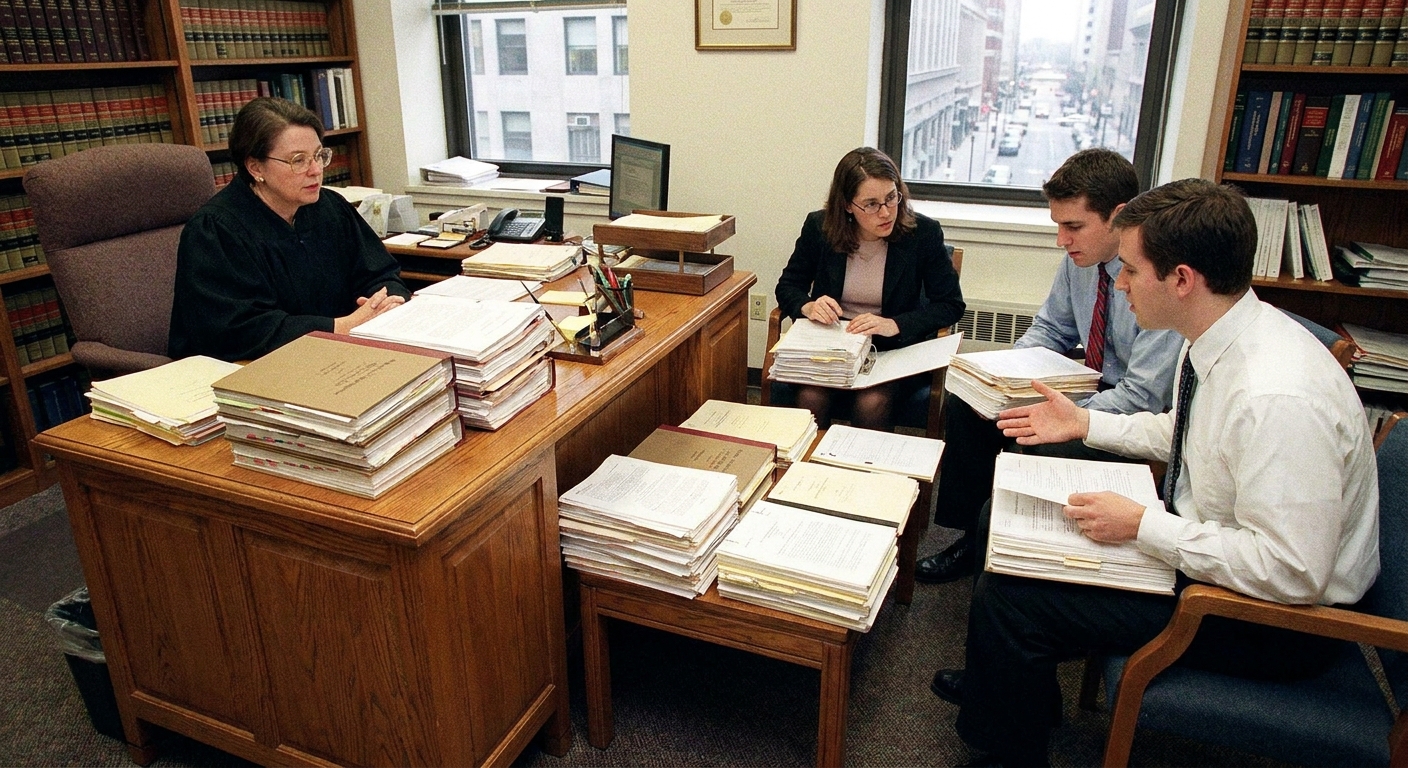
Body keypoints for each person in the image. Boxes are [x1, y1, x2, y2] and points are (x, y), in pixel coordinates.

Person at [932, 178, 1379, 767]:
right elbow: (1185, 432)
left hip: (1277, 623)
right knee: (1007, 521)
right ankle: (1014, 696)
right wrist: (1085, 426)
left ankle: (1006, 732)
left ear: (1183, 279)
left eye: (1131, 270)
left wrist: (1145, 527)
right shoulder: (1218, 337)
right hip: (1220, 554)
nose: (1119, 283)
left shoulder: (1278, 397)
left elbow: (1292, 572)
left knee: (1014, 599)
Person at [915, 148, 1183, 584]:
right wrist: (1005, 378)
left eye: (1073, 226)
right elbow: (1050, 330)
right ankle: (974, 537)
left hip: (1132, 413)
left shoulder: (1155, 276)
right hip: (1088, 388)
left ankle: (1024, 555)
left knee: (1035, 437)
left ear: (1119, 216)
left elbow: (1142, 396)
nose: (1062, 240)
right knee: (970, 405)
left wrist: (1059, 413)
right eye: (1058, 225)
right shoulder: (1078, 263)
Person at [168, 97, 410, 362]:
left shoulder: (331, 207)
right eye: (298, 160)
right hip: (245, 370)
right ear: (255, 167)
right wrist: (339, 327)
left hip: (340, 352)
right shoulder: (216, 230)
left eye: (319, 155)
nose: (316, 170)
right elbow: (237, 329)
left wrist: (389, 304)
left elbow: (380, 272)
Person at [774, 147, 964, 430]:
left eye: (891, 198)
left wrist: (894, 324)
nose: (886, 212)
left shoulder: (922, 234)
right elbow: (789, 285)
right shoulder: (820, 227)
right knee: (811, 397)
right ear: (848, 205)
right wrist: (809, 306)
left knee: (871, 402)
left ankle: (866, 473)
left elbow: (950, 304)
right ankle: (809, 472)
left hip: (890, 351)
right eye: (872, 204)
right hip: (832, 348)